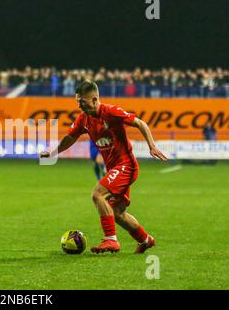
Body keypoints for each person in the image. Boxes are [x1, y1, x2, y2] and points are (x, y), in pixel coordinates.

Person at [40, 80, 168, 254]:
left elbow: (140, 123)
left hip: (126, 166)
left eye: (82, 101)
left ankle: (111, 240)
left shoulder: (111, 112)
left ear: (93, 99)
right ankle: (146, 240)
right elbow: (70, 138)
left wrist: (151, 146)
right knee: (117, 213)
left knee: (98, 194)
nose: (79, 105)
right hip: (114, 169)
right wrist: (54, 152)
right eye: (77, 101)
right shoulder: (83, 119)